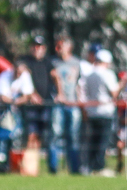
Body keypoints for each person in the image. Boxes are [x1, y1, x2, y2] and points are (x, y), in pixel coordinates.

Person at [81, 49, 120, 176]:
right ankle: (98, 167)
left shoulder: (88, 74)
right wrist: (122, 83)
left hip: (91, 112)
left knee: (92, 141)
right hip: (105, 112)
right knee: (102, 141)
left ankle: (89, 166)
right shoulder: (107, 74)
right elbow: (114, 93)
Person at [19, 36, 52, 170]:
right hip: (31, 105)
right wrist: (32, 94)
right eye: (34, 46)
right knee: (31, 135)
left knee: (40, 137)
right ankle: (28, 166)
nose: (36, 49)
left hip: (45, 104)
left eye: (39, 46)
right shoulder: (25, 61)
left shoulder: (48, 62)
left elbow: (55, 76)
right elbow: (23, 77)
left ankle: (34, 167)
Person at [50, 37, 83, 175]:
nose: (58, 48)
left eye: (61, 45)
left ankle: (74, 169)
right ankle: (53, 168)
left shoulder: (76, 62)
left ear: (69, 47)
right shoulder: (53, 62)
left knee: (73, 136)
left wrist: (80, 101)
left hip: (73, 103)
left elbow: (79, 84)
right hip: (58, 104)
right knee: (55, 134)